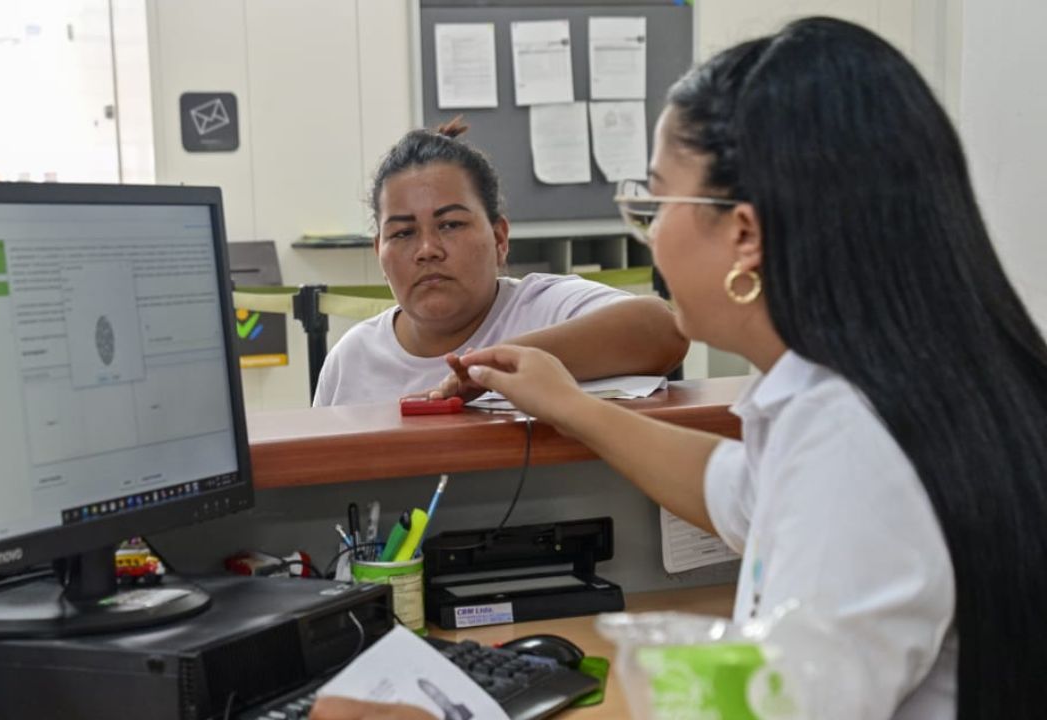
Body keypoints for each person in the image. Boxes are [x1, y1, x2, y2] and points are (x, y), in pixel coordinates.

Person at [314, 17, 1047, 720]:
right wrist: (574, 407)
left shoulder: (854, 447)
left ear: (745, 234)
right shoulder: (855, 400)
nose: (650, 239)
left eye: (657, 204)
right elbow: (736, 491)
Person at [312, 119, 688, 406]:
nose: (427, 249)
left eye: (450, 224)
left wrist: (494, 367)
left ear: (499, 238)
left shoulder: (544, 309)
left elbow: (663, 330)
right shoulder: (351, 361)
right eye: (403, 233)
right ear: (379, 250)